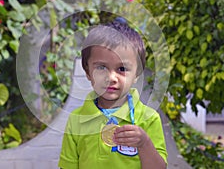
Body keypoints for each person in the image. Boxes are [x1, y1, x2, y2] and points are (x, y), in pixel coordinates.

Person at [58, 20, 167, 169]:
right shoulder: (77, 120)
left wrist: (144, 143)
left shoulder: (148, 118)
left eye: (122, 68)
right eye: (101, 67)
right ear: (88, 72)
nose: (111, 77)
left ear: (137, 74)